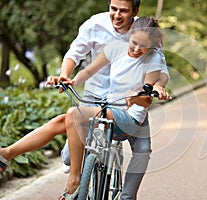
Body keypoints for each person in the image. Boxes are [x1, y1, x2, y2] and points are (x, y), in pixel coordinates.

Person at [0, 1, 169, 199]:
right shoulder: (98, 26)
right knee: (67, 142)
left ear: (135, 13)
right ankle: (7, 153)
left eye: (123, 11)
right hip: (95, 96)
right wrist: (66, 77)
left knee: (142, 149)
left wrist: (157, 87)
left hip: (126, 106)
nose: (116, 15)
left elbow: (159, 71)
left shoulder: (143, 31)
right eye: (113, 9)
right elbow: (78, 57)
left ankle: (123, 195)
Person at [51, 16, 165, 200]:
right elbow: (89, 70)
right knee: (78, 117)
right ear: (129, 35)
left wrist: (137, 98)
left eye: (143, 46)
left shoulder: (153, 59)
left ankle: (82, 182)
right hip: (110, 107)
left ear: (152, 46)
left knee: (75, 114)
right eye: (134, 42)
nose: (136, 49)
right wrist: (71, 81)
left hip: (130, 118)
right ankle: (75, 160)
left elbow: (147, 100)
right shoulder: (115, 49)